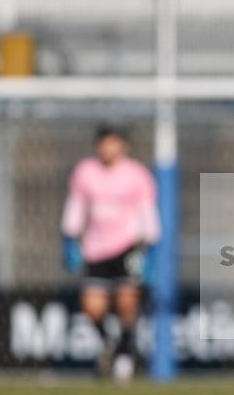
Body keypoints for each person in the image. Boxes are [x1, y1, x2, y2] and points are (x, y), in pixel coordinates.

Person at [61, 125, 161, 379]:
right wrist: (70, 239)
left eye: (113, 143)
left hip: (127, 247)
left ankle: (125, 357)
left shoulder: (137, 175)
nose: (107, 149)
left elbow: (147, 211)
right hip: (95, 249)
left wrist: (150, 248)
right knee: (92, 307)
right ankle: (112, 344)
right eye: (104, 143)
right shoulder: (85, 172)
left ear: (123, 146)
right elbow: (76, 206)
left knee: (127, 302)